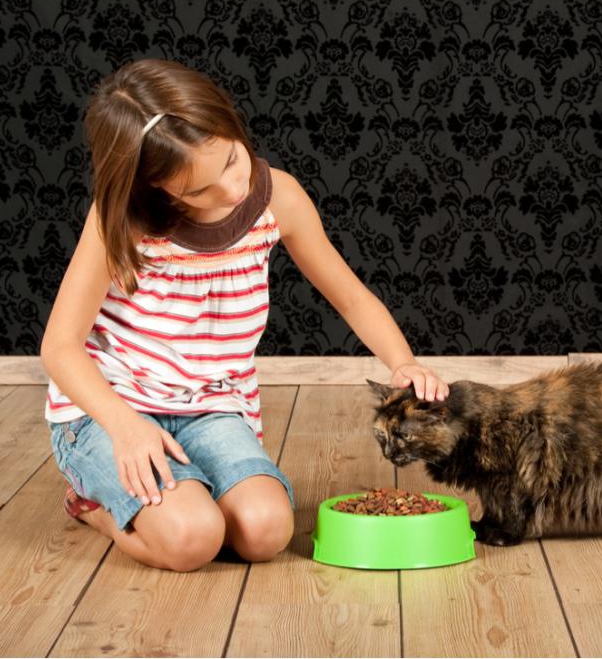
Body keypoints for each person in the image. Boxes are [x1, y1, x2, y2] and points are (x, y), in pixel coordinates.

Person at [40, 58, 448, 572]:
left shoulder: (278, 197)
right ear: (152, 187)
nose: (232, 190)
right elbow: (59, 347)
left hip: (211, 406)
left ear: (231, 126)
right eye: (197, 190)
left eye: (233, 160)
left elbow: (351, 298)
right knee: (193, 539)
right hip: (110, 410)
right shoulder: (121, 221)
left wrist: (403, 363)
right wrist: (125, 427)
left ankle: (181, 495)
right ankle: (98, 512)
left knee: (265, 532)